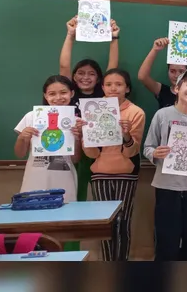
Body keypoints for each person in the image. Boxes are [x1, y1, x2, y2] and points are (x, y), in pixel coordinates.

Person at [143, 66, 187, 261]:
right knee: (167, 242)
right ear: (176, 89)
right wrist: (156, 153)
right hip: (167, 187)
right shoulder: (162, 116)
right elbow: (148, 147)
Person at [82, 69, 145, 261]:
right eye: (108, 84)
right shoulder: (91, 110)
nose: (113, 88)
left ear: (127, 88)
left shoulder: (135, 112)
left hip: (126, 173)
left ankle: (121, 263)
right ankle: (108, 263)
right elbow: (91, 154)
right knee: (105, 224)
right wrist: (84, 135)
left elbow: (131, 151)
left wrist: (125, 135)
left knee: (122, 222)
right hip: (100, 173)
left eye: (119, 84)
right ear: (102, 87)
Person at [59, 16, 119, 203]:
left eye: (92, 74)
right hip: (73, 150)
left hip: (100, 150)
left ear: (99, 79)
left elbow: (113, 68)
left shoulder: (104, 94)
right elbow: (64, 66)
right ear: (74, 77)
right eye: (81, 73)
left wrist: (114, 38)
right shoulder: (70, 93)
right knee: (75, 196)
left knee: (102, 199)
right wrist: (70, 35)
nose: (86, 77)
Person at [14, 75, 84, 204]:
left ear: (72, 93)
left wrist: (77, 138)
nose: (58, 98)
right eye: (52, 94)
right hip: (35, 177)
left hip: (64, 178)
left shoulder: (76, 121)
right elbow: (20, 154)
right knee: (33, 216)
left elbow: (75, 159)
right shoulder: (31, 116)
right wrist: (22, 137)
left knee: (64, 217)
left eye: (63, 92)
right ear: (46, 96)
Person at [137, 37, 187, 109]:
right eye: (172, 71)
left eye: (181, 71)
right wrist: (155, 50)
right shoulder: (162, 91)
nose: (176, 75)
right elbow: (142, 77)